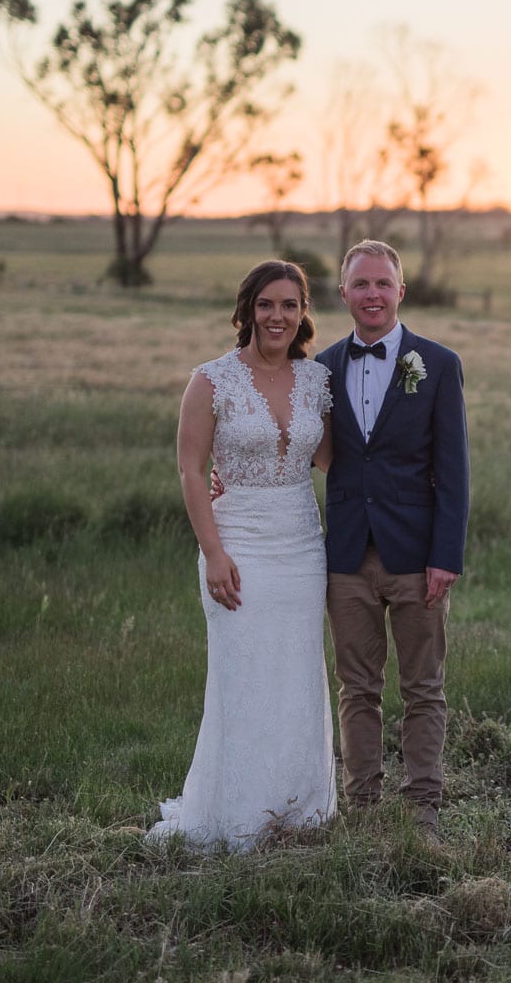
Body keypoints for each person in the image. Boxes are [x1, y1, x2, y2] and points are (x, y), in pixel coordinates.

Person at [146, 260, 338, 851]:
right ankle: (236, 815)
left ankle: (300, 811)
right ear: (247, 310)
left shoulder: (315, 381)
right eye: (266, 304)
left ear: (303, 313)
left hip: (303, 545)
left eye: (289, 305)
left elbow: (332, 461)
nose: (277, 316)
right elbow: (189, 468)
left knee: (298, 673)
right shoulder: (212, 381)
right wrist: (213, 552)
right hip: (238, 546)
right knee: (243, 675)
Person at [314, 240, 470, 831]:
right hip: (347, 555)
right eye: (361, 285)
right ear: (344, 294)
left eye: (383, 284)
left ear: (400, 291)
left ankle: (424, 805)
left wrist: (445, 556)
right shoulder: (321, 369)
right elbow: (298, 442)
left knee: (424, 687)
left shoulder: (438, 364)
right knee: (357, 688)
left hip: (416, 555)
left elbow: (454, 470)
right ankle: (362, 805)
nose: (373, 294)